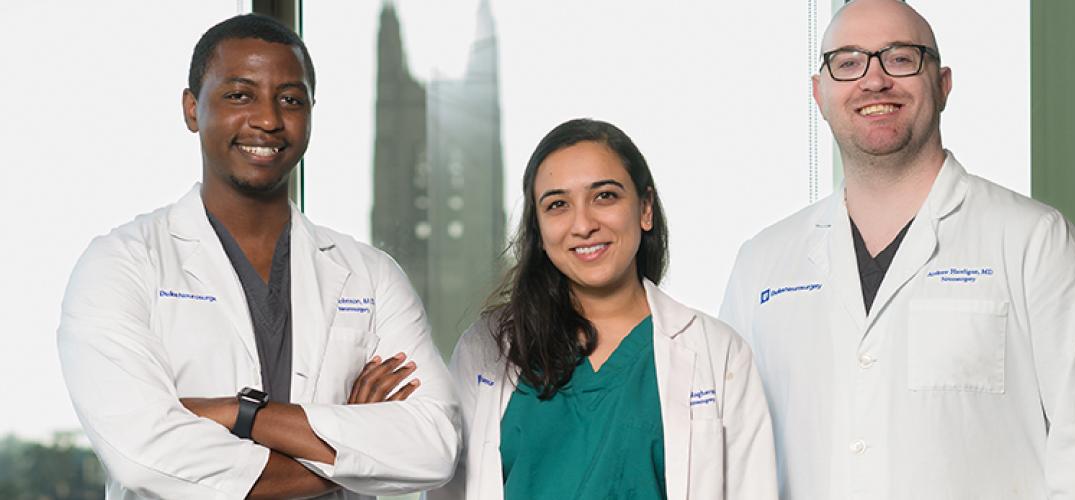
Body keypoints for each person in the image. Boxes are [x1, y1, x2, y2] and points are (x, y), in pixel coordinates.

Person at [719, 1, 1075, 498]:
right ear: (819, 93)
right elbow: (725, 450)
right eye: (848, 61)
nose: (874, 80)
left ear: (942, 84)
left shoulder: (1037, 244)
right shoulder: (761, 265)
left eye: (901, 58)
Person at [57, 14, 458, 499]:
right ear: (191, 109)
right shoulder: (119, 265)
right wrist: (361, 451)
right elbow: (144, 458)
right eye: (239, 95)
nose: (268, 119)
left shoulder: (371, 277)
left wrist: (243, 413)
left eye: (290, 99)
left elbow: (434, 447)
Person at [428, 118, 776, 500]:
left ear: (645, 210)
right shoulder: (486, 351)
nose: (583, 224)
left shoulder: (718, 354)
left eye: (604, 196)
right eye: (558, 205)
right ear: (539, 232)